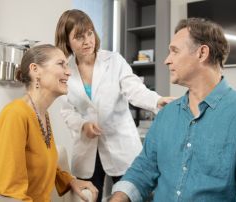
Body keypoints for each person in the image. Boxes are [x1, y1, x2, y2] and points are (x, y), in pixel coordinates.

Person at [109, 18, 236, 202]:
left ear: (202, 53)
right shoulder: (166, 114)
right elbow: (143, 170)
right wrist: (118, 198)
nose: (167, 60)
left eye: (174, 51)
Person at [55, 9, 175, 202]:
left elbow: (134, 89)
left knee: (131, 196)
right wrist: (82, 125)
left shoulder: (114, 61)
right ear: (66, 40)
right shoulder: (64, 71)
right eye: (79, 36)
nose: (87, 41)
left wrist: (156, 100)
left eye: (90, 33)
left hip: (121, 145)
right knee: (86, 198)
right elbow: (68, 110)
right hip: (87, 151)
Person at [0, 44, 98, 202]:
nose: (68, 71)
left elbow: (42, 162)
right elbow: (11, 192)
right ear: (35, 70)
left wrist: (70, 181)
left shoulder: (42, 114)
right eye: (61, 64)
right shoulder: (15, 114)